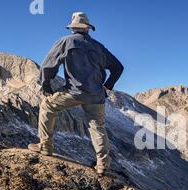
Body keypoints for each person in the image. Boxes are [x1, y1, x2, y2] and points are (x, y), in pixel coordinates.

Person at [28, 12, 124, 176]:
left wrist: (46, 85)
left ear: (73, 28)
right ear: (88, 29)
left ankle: (45, 147)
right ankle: (102, 164)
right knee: (97, 126)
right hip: (96, 94)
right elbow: (118, 67)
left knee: (48, 106)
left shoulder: (65, 42)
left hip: (74, 92)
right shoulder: (99, 47)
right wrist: (107, 87)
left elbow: (47, 66)